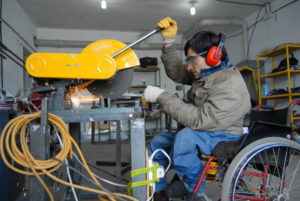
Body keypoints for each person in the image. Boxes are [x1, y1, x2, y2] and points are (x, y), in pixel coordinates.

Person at [143, 17, 251, 201]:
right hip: (205, 131)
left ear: (213, 56)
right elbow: (177, 71)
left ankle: (194, 189)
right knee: (160, 141)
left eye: (192, 60)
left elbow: (201, 120)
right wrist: (169, 43)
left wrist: (161, 96)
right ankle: (159, 190)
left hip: (225, 133)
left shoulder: (229, 82)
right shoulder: (206, 74)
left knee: (185, 138)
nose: (188, 66)